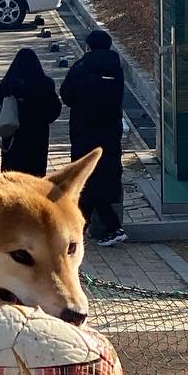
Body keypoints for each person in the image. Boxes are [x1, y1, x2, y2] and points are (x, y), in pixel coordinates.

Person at [60, 28, 127, 244]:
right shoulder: (116, 68)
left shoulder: (81, 67)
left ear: (88, 46)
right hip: (110, 131)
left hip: (84, 132)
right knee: (103, 176)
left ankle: (111, 228)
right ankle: (82, 229)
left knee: (85, 179)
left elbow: (66, 95)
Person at [0, 47, 62, 176]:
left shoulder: (7, 85)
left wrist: (6, 112)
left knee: (12, 175)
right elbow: (54, 110)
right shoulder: (44, 85)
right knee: (35, 175)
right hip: (37, 138)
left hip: (13, 136)